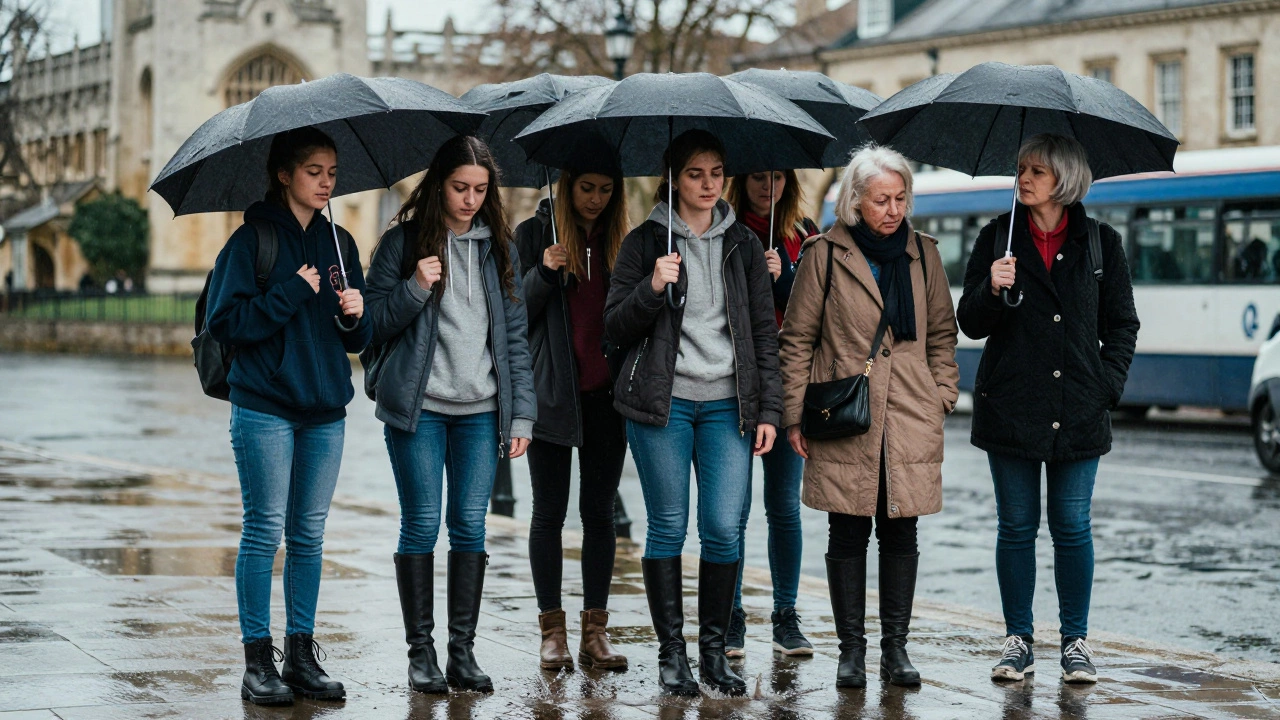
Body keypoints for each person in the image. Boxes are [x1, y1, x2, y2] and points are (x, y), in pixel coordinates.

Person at [604, 129, 782, 697]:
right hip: (664, 405)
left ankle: (713, 655)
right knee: (669, 526)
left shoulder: (744, 246)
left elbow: (762, 334)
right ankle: (672, 654)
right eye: (696, 174)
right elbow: (614, 327)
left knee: (725, 528)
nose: (709, 185)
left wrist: (769, 411)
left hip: (730, 405)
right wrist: (653, 285)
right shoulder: (643, 242)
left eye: (716, 173)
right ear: (673, 180)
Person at [956, 134, 1139, 685]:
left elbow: (1122, 324)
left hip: (1079, 407)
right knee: (1015, 527)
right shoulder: (996, 236)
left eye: (1036, 169)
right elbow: (969, 320)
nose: (1024, 177)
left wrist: (1106, 385)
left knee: (1072, 526)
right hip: (1011, 405)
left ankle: (1075, 642)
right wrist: (991, 287)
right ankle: (1018, 641)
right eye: (1021, 168)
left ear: (1063, 178)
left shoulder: (1101, 242)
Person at [778, 145, 959, 689]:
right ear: (856, 201)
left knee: (901, 533)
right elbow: (798, 339)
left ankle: (895, 651)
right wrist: (794, 415)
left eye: (901, 198)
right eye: (882, 199)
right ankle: (850, 652)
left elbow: (943, 334)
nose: (893, 209)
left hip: (909, 412)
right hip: (844, 413)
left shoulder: (923, 254)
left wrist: (940, 394)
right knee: (847, 530)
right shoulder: (825, 254)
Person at [362, 134, 535, 695]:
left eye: (481, 190)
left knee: (469, 525)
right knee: (421, 522)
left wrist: (521, 418)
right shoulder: (402, 243)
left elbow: (513, 340)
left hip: (482, 412)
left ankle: (462, 652)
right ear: (439, 186)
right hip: (419, 410)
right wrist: (415, 287)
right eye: (461, 188)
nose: (470, 199)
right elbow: (369, 329)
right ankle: (422, 654)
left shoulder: (499, 247)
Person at [206, 126, 370, 706]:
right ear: (284, 174)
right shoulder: (251, 243)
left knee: (309, 534)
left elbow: (358, 338)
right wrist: (292, 293)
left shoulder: (341, 244)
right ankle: (258, 662)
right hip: (265, 407)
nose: (326, 182)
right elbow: (227, 324)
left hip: (326, 410)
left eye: (332, 172)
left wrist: (355, 314)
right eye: (314, 172)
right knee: (263, 529)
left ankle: (302, 655)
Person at [515, 159, 631, 672]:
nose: (595, 198)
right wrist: (543, 272)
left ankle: (595, 633)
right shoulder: (533, 233)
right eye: (587, 186)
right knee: (549, 513)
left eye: (606, 188)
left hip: (607, 397)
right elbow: (513, 314)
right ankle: (552, 633)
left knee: (600, 514)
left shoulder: (625, 239)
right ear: (567, 185)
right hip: (552, 395)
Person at [723, 169, 820, 657]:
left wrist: (785, 279)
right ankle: (731, 614)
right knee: (732, 510)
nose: (767, 185)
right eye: (757, 176)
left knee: (783, 506)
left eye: (777, 177)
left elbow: (822, 310)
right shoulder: (725, 229)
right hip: (737, 385)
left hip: (789, 385)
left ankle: (786, 615)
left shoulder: (805, 235)